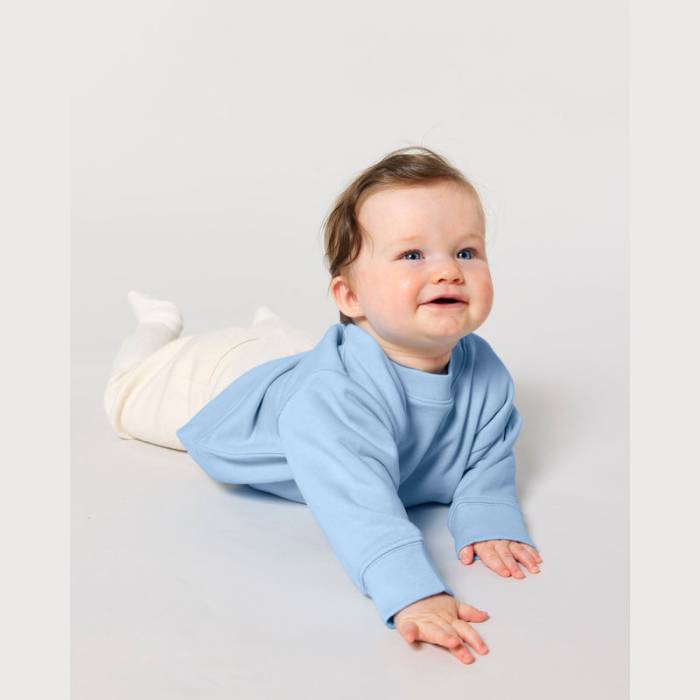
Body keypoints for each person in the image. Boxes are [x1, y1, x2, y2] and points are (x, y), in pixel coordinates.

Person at [103, 146, 543, 666]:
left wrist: (487, 514)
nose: (448, 271)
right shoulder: (332, 399)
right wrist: (411, 590)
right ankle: (157, 326)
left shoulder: (484, 370)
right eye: (412, 255)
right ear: (350, 298)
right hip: (224, 382)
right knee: (125, 396)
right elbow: (355, 503)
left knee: (290, 353)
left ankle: (270, 330)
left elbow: (487, 453)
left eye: (466, 252)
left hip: (300, 361)